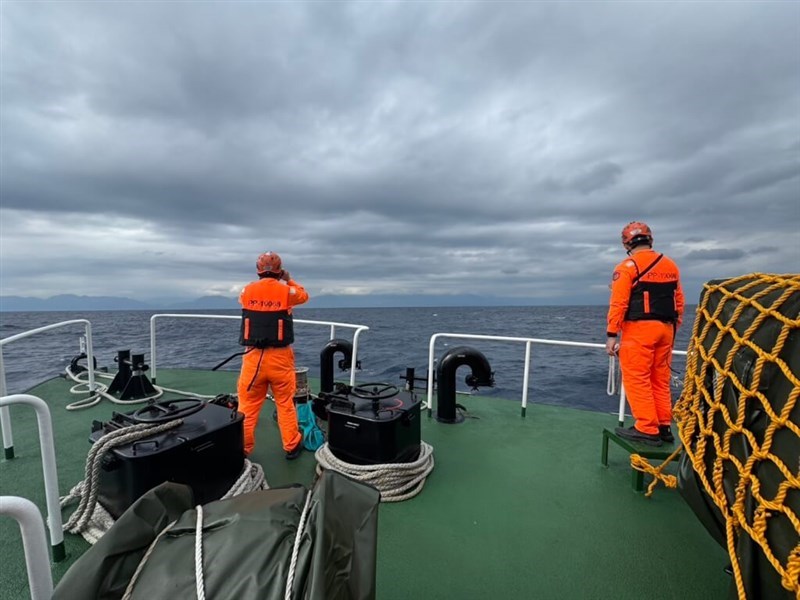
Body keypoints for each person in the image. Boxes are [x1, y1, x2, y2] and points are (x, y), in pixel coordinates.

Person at [606, 222, 685, 447]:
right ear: (650, 239)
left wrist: (612, 334)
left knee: (637, 379)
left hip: (639, 330)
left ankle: (647, 428)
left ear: (626, 243)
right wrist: (672, 328)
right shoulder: (671, 265)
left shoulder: (627, 267)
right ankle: (663, 426)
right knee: (660, 380)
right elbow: (679, 301)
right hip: (666, 330)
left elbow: (619, 303)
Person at [237, 251, 309, 459]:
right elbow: (303, 296)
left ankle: (243, 448)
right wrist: (288, 279)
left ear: (258, 270)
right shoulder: (286, 291)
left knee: (247, 406)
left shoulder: (246, 291)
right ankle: (291, 446)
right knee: (285, 404)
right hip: (280, 358)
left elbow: (243, 300)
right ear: (279, 270)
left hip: (252, 358)